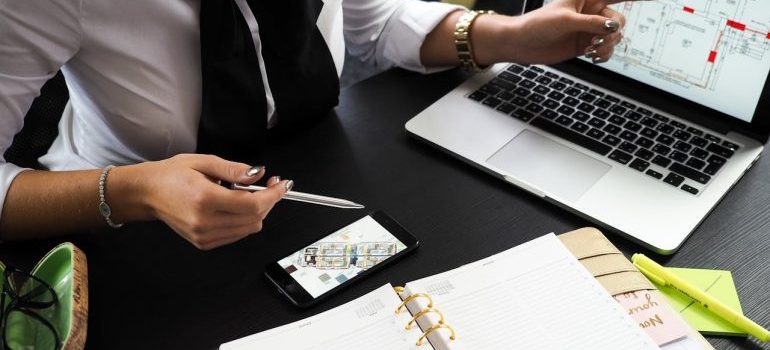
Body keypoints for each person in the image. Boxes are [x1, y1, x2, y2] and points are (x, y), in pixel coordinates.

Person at [0, 0, 630, 250]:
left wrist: (508, 36)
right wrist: (133, 191)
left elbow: (375, 22)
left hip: (317, 174)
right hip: (130, 236)